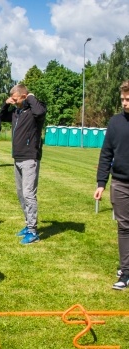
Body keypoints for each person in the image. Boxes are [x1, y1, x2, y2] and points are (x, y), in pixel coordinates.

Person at [0, 84, 46, 244]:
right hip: (17, 158)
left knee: (28, 194)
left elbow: (40, 111)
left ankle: (33, 232)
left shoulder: (34, 111)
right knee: (20, 193)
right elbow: (1, 115)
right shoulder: (17, 112)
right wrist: (6, 103)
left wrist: (30, 96)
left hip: (30, 157)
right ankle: (28, 224)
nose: (14, 101)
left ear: (24, 96)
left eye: (16, 98)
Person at [94, 80, 129, 290]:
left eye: (128, 99)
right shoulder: (115, 123)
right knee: (124, 228)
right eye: (123, 99)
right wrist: (101, 183)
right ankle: (125, 272)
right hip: (120, 183)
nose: (125, 103)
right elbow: (106, 153)